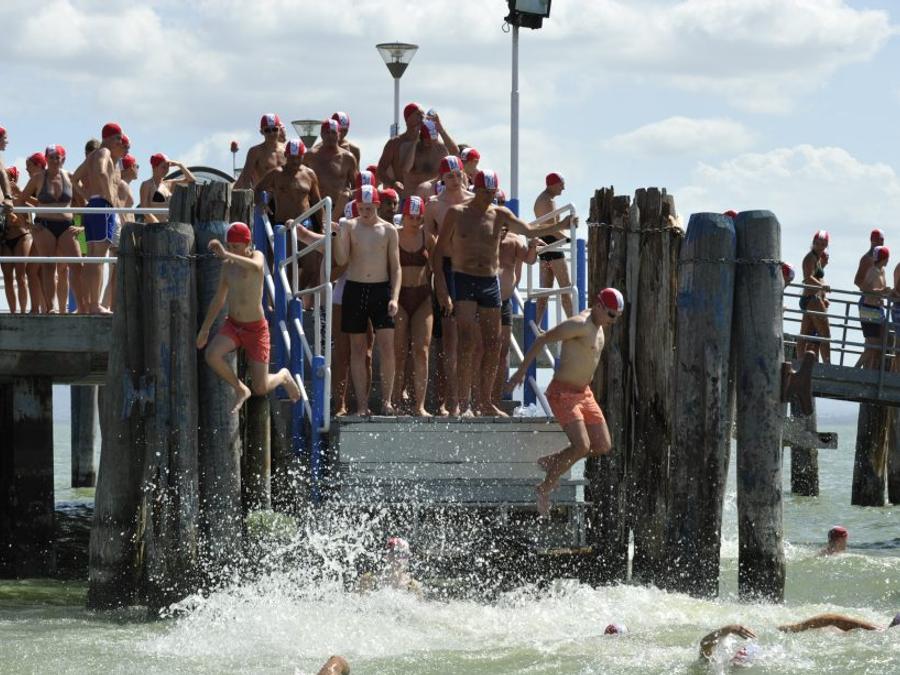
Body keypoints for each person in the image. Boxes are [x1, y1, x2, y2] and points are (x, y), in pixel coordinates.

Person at [436, 169, 567, 419]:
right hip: (464, 279)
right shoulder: (457, 213)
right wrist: (442, 287)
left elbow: (528, 230)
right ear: (475, 190)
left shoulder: (499, 214)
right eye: (484, 192)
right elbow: (439, 251)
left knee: (494, 344)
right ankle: (461, 403)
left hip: (489, 282)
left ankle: (486, 402)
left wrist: (560, 225)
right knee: (466, 342)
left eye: (492, 193)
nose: (488, 197)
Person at [506, 288, 622, 514]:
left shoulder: (599, 326)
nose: (613, 321)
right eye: (611, 315)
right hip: (563, 394)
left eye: (617, 317)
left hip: (584, 394)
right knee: (582, 446)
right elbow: (543, 338)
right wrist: (521, 372)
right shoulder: (579, 324)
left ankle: (555, 460)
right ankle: (544, 488)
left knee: (602, 445)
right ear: (599, 306)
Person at [196, 222, 301, 413]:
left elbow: (257, 266)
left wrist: (226, 254)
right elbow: (219, 299)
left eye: (235, 246)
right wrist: (205, 329)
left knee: (260, 387)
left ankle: (283, 376)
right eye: (228, 246)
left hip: (256, 329)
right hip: (233, 325)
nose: (231, 250)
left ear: (247, 244)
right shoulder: (227, 266)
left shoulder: (257, 256)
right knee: (211, 354)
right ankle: (240, 389)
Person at [333, 186, 401, 416]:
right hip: (355, 289)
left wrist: (395, 297)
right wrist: (339, 234)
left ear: (377, 206)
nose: (365, 212)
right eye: (361, 208)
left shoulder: (389, 230)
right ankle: (362, 405)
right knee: (358, 349)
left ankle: (386, 401)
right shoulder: (350, 226)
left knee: (387, 346)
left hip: (381, 290)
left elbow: (396, 268)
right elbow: (341, 258)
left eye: (369, 208)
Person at [424, 156, 474, 416]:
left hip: (473, 270)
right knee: (450, 341)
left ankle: (468, 401)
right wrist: (439, 282)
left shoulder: (474, 201)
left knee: (472, 340)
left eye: (457, 175)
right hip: (447, 270)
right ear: (441, 178)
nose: (454, 180)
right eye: (449, 176)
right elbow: (429, 241)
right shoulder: (434, 205)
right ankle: (452, 400)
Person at [71, 122, 129, 313]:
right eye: (118, 138)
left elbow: (74, 178)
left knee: (92, 258)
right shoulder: (104, 152)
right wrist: (109, 198)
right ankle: (95, 304)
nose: (120, 142)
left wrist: (89, 196)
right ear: (109, 138)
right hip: (102, 207)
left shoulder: (92, 156)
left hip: (93, 206)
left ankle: (88, 304)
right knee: (98, 257)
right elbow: (103, 172)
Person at [21, 145, 83, 313]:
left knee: (78, 265)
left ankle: (82, 307)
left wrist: (81, 226)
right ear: (46, 159)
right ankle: (51, 307)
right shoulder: (38, 178)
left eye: (58, 157)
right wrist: (28, 224)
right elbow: (20, 200)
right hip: (44, 225)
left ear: (64, 159)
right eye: (51, 157)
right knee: (48, 266)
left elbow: (83, 202)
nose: (55, 160)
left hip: (66, 226)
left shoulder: (70, 176)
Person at [255, 139, 322, 294]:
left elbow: (316, 201)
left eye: (298, 157)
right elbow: (257, 189)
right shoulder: (276, 173)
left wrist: (323, 225)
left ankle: (294, 296)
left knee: (311, 267)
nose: (295, 161)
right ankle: (288, 299)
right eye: (292, 157)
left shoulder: (309, 174)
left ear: (303, 156)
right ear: (286, 155)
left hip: (305, 224)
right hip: (284, 225)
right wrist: (261, 203)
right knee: (289, 267)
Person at [392, 196, 434, 416]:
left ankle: (420, 405)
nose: (415, 222)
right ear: (404, 216)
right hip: (399, 297)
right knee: (399, 352)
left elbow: (437, 268)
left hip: (422, 296)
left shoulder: (428, 237)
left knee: (422, 351)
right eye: (411, 217)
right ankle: (396, 401)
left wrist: (443, 294)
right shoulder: (394, 235)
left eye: (419, 218)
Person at [492, 227, 538, 408]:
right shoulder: (483, 235)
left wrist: (533, 245)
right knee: (481, 350)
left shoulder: (516, 240)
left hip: (504, 302)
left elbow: (530, 260)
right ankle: (480, 399)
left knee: (502, 352)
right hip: (484, 302)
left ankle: (496, 399)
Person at [533, 172, 575, 324]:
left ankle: (535, 324)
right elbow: (552, 230)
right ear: (552, 184)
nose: (563, 188)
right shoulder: (547, 201)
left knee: (545, 291)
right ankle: (574, 324)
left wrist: (567, 230)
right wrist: (571, 240)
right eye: (561, 185)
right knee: (566, 288)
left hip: (546, 245)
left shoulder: (543, 199)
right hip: (552, 245)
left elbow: (551, 227)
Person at [103, 154, 139, 311]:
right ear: (130, 167)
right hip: (121, 229)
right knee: (117, 270)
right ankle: (111, 306)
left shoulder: (121, 184)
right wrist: (128, 231)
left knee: (115, 270)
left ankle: (107, 304)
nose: (138, 169)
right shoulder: (122, 184)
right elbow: (122, 211)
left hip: (119, 228)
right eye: (136, 166)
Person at [303, 118, 357, 218]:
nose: (330, 136)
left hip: (340, 210)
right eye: (327, 132)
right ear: (321, 134)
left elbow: (356, 187)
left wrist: (348, 196)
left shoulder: (348, 158)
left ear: (339, 134)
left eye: (333, 132)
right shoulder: (310, 156)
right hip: (315, 209)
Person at [1, 166, 36, 313]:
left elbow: (30, 220)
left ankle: (22, 312)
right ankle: (13, 312)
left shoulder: (21, 196)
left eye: (8, 178)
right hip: (5, 239)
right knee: (8, 277)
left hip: (22, 237)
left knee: (21, 276)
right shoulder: (2, 198)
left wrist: (18, 200)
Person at [403, 114, 459, 199]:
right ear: (420, 137)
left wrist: (441, 130)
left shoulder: (440, 149)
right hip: (412, 198)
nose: (429, 141)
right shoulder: (411, 149)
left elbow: (455, 152)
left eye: (432, 138)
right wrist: (414, 141)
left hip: (433, 197)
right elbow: (406, 169)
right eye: (426, 138)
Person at [795, 230, 831, 363]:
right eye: (818, 243)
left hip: (811, 299)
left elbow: (815, 277)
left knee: (806, 333)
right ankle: (828, 365)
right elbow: (808, 278)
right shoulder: (810, 258)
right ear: (813, 243)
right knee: (825, 334)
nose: (820, 246)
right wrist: (822, 286)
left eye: (823, 244)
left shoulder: (817, 258)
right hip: (812, 299)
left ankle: (800, 361)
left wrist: (823, 294)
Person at [376, 102, 424, 195]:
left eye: (423, 115)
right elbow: (380, 171)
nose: (422, 117)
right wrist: (393, 184)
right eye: (418, 114)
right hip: (404, 195)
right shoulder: (394, 143)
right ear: (408, 118)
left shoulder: (428, 142)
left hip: (424, 196)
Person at [138, 153, 196, 223]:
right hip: (152, 227)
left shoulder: (169, 183)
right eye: (163, 167)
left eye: (168, 167)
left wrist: (180, 165)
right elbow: (144, 209)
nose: (166, 170)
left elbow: (192, 180)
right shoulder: (146, 185)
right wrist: (157, 224)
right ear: (154, 167)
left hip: (167, 226)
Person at [858, 245, 890, 369]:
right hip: (869, 310)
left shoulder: (882, 271)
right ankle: (855, 368)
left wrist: (888, 292)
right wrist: (881, 291)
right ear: (884, 258)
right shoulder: (872, 271)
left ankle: (872, 371)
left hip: (878, 309)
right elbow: (865, 289)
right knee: (873, 346)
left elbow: (881, 290)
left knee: (880, 346)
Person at [234, 113, 286, 189]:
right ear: (261, 132)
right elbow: (245, 179)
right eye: (267, 130)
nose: (271, 133)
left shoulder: (286, 149)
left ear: (279, 130)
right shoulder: (255, 152)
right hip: (264, 195)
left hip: (284, 194)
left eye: (275, 129)